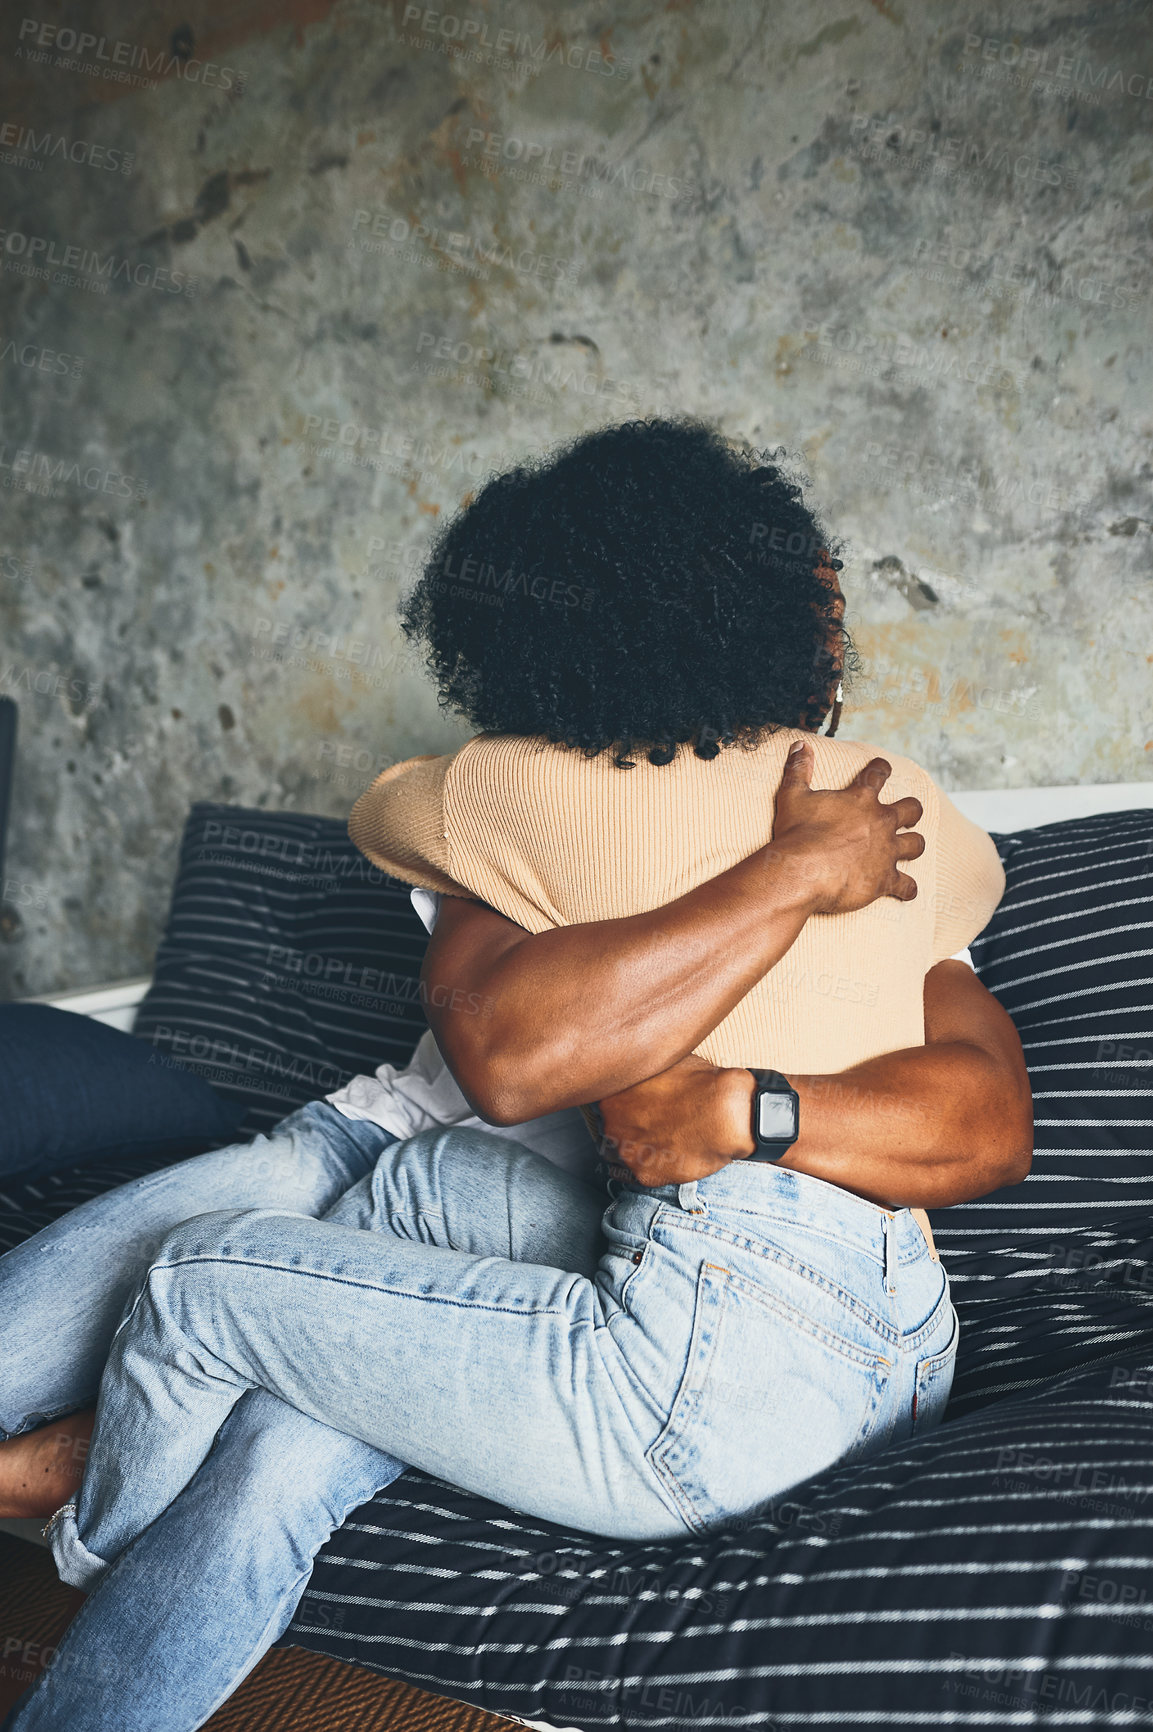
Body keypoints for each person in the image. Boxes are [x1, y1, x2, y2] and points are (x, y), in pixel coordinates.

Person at [0, 417, 1032, 1731]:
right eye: (811, 594)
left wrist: (747, 1105)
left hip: (676, 1253)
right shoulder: (622, 810)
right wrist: (786, 875)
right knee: (304, 1289)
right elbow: (508, 1059)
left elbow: (986, 1114)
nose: (836, 627)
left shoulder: (813, 821)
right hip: (391, 1154)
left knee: (237, 1349)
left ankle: (104, 1487)